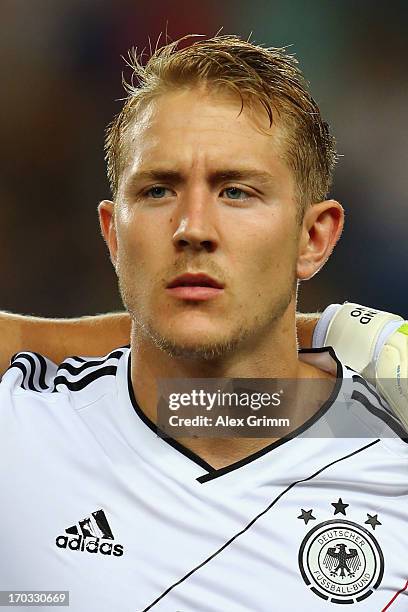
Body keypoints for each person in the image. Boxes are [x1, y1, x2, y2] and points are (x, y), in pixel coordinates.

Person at [0, 35, 407, 612]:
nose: (193, 226)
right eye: (158, 189)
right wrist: (328, 330)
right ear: (114, 235)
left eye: (236, 191)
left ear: (313, 239)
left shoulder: (390, 458)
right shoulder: (18, 427)